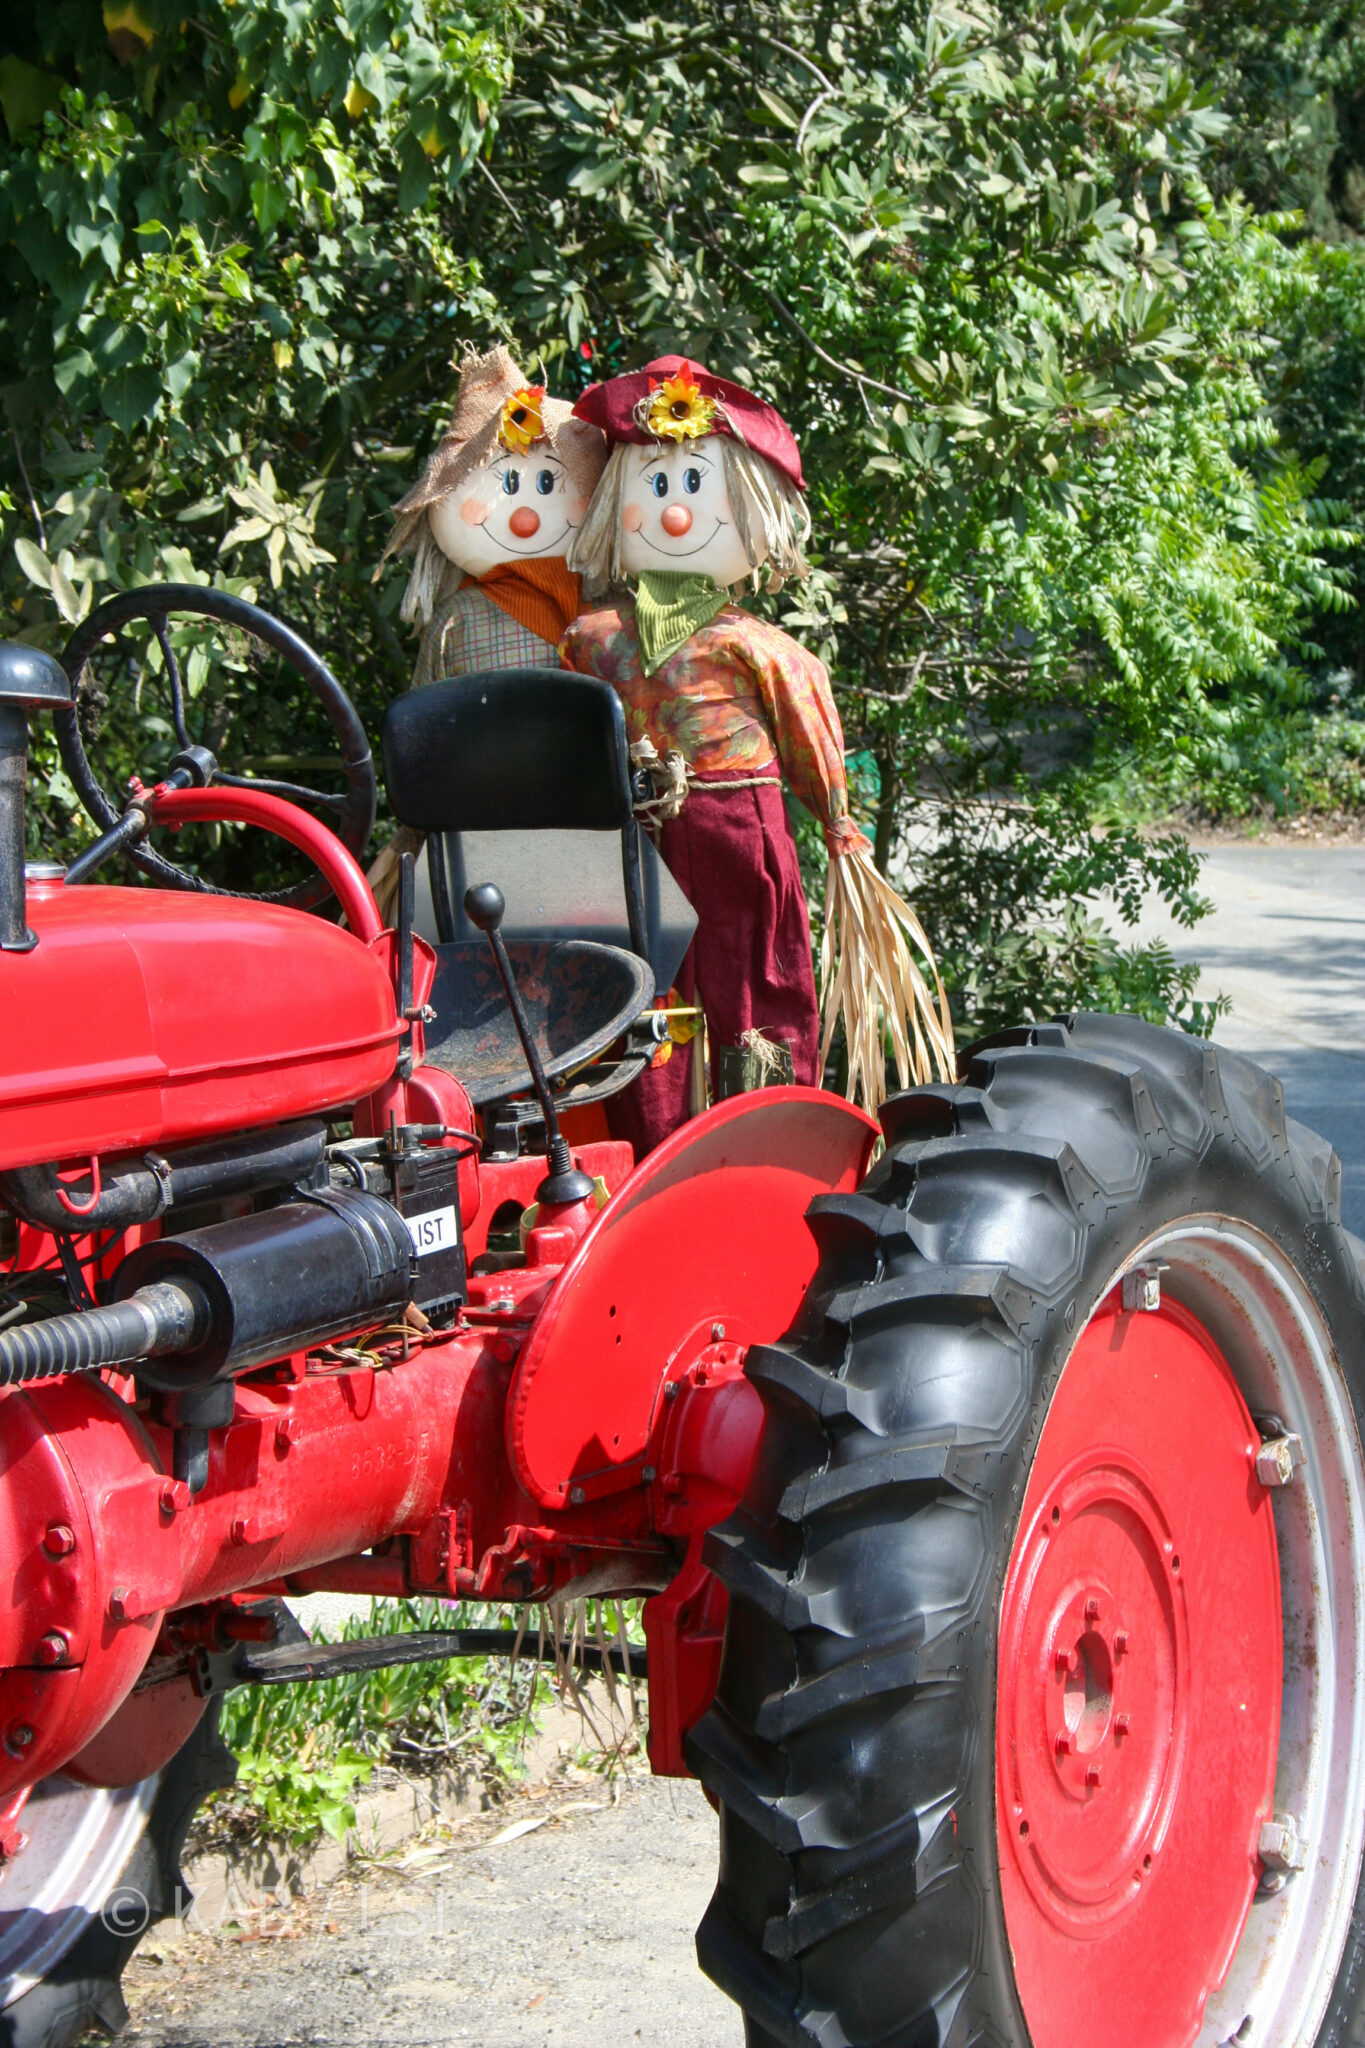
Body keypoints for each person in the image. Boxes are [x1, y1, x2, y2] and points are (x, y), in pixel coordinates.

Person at [563, 356, 951, 1154]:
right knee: (647, 996)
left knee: (754, 985)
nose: (674, 515)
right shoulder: (589, 642)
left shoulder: (759, 648)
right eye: (656, 489)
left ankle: (760, 1145)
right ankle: (655, 1153)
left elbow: (810, 739)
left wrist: (839, 829)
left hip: (737, 830)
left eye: (697, 491)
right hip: (630, 844)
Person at [369, 344, 606, 917]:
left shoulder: (601, 619)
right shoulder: (460, 619)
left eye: (548, 486)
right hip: (485, 844)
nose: (524, 516)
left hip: (572, 843)